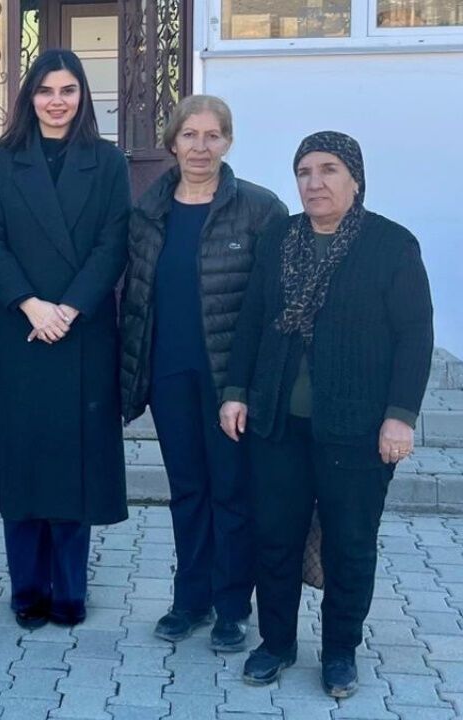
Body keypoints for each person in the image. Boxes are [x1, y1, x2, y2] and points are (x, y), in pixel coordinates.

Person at [219, 131, 433, 697]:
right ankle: (276, 643)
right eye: (304, 171)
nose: (314, 183)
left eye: (329, 169)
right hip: (277, 422)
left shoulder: (390, 245)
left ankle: (340, 651)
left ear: (355, 179)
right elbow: (253, 319)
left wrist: (400, 416)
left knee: (350, 542)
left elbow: (415, 335)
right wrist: (236, 391)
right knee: (275, 537)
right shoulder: (279, 239)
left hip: (357, 428)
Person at [0, 49, 130, 629]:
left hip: (83, 332)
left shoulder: (108, 162)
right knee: (22, 463)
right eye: (45, 90)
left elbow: (114, 243)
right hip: (19, 331)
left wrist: (70, 308)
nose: (57, 102)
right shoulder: (1, 160)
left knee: (73, 466)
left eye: (68, 90)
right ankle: (27, 587)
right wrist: (32, 304)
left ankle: (70, 590)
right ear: (29, 97)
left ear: (83, 96)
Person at [119, 95, 287, 651]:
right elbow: (135, 296)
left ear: (228, 142)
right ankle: (189, 599)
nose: (200, 147)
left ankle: (232, 607)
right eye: (189, 135)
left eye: (213, 135)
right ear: (172, 142)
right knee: (187, 491)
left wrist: (249, 386)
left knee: (231, 493)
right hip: (169, 375)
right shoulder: (148, 211)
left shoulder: (259, 210)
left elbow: (273, 307)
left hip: (228, 384)